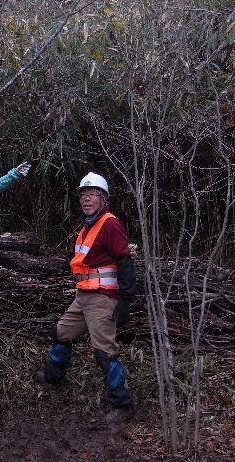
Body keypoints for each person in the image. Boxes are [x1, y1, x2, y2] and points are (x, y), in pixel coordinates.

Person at [38, 172, 137, 417]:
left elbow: (125, 261)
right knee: (61, 333)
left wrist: (125, 299)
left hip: (102, 298)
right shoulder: (88, 226)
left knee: (104, 351)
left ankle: (122, 404)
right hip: (83, 296)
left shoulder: (110, 224)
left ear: (104, 198)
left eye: (92, 195)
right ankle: (53, 377)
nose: (86, 200)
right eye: (83, 195)